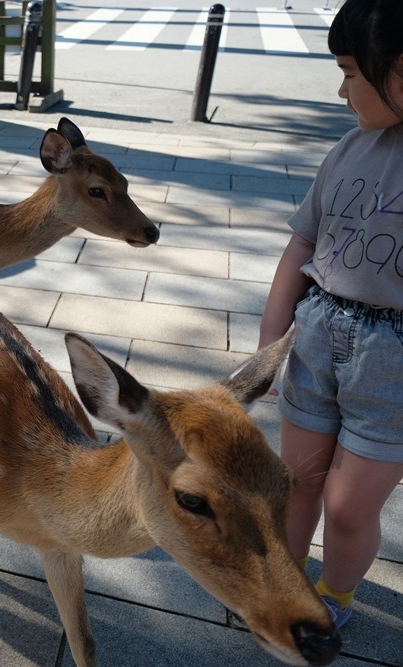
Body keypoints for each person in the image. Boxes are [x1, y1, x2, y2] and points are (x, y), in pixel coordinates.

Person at [258, 0, 403, 629]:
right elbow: (305, 241)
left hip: (392, 365)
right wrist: (272, 333)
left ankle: (334, 597)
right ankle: (283, 585)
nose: (340, 89)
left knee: (348, 508)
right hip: (320, 332)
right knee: (296, 482)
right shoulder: (350, 146)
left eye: (351, 72)